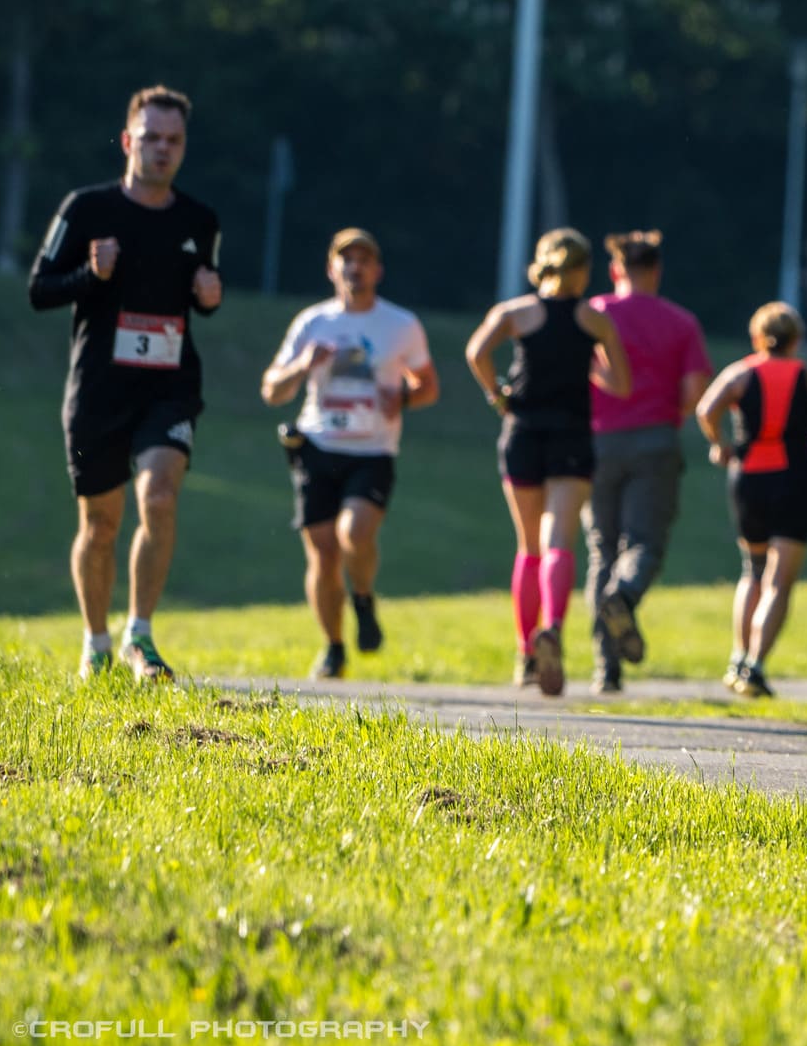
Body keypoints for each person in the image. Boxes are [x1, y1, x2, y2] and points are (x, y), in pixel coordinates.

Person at [27, 85, 224, 684]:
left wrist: (210, 297)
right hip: (98, 391)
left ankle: (142, 635)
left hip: (169, 388)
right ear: (127, 141)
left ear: (184, 147)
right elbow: (40, 289)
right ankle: (96, 642)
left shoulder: (199, 220)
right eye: (152, 139)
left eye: (174, 141)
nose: (163, 150)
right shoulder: (86, 209)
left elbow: (203, 292)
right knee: (100, 524)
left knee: (159, 496)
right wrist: (93, 272)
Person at [260, 229, 439, 679]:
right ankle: (333, 646)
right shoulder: (312, 323)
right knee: (321, 553)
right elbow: (271, 390)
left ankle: (362, 596)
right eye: (346, 259)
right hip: (317, 444)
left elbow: (428, 387)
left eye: (363, 260)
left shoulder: (400, 324)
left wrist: (401, 396)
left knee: (354, 534)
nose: (354, 267)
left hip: (373, 449)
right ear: (331, 268)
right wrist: (304, 365)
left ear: (377, 270)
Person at [466, 229, 630, 696]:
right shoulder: (592, 319)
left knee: (527, 547)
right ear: (583, 272)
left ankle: (525, 654)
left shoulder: (515, 313)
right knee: (559, 540)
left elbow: (476, 352)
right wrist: (593, 369)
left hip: (523, 433)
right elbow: (621, 382)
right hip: (572, 437)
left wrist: (496, 393)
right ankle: (553, 629)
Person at [582, 230, 712, 694]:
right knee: (644, 545)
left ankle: (606, 668)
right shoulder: (681, 322)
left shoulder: (593, 315)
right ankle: (626, 596)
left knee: (602, 548)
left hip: (596, 443)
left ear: (615, 271)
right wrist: (668, 414)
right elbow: (695, 392)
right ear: (656, 272)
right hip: (656, 440)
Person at [695, 302, 807, 698]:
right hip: (795, 481)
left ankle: (737, 659)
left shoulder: (740, 373)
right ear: (797, 340)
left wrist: (720, 445)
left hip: (748, 481)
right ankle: (756, 667)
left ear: (757, 337)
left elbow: (706, 409)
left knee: (752, 570)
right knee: (779, 581)